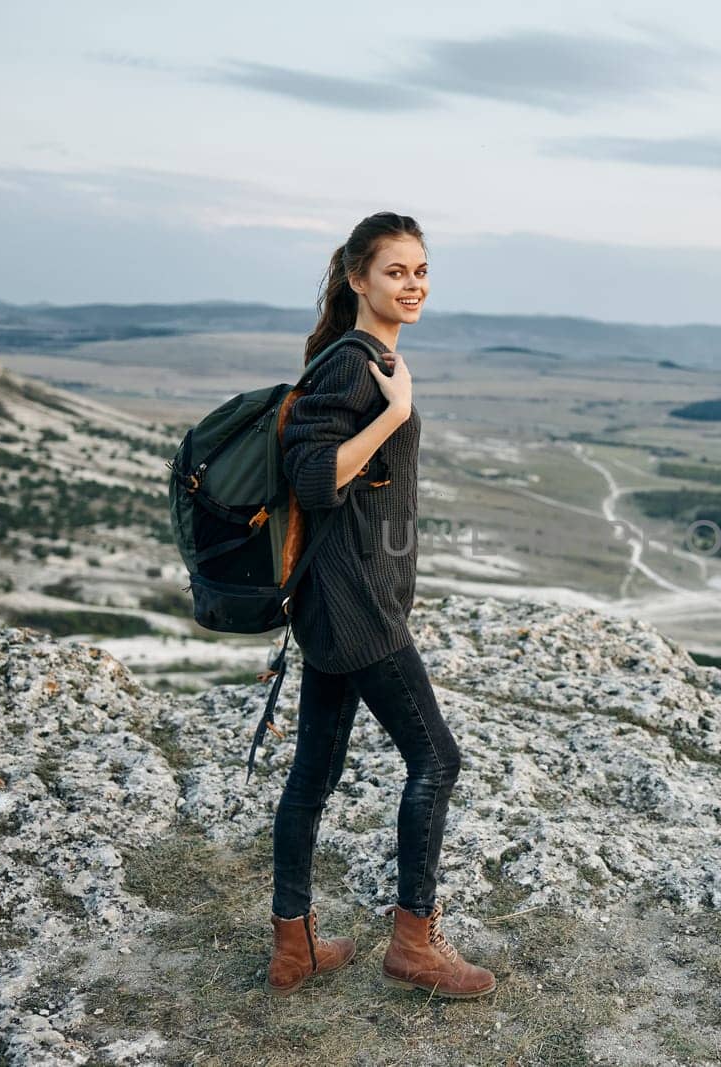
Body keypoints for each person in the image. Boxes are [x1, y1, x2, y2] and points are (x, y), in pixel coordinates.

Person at [263, 211, 496, 999]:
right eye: (397, 270)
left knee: (315, 772)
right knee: (437, 758)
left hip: (343, 600)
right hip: (357, 606)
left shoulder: (370, 359)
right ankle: (414, 943)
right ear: (358, 278)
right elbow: (315, 479)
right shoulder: (354, 367)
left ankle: (293, 950)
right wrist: (394, 414)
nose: (414, 283)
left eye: (422, 270)